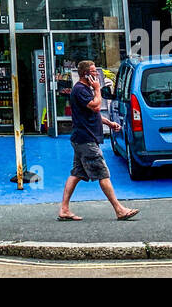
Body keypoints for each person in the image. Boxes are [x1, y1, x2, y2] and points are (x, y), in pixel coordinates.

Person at [57, 59, 140, 222]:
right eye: (94, 71)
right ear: (86, 74)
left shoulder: (84, 89)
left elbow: (91, 114)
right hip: (86, 140)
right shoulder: (81, 90)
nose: (97, 74)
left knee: (76, 173)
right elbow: (96, 106)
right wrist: (97, 89)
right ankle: (119, 209)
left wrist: (109, 122)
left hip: (82, 138)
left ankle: (64, 209)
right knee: (103, 174)